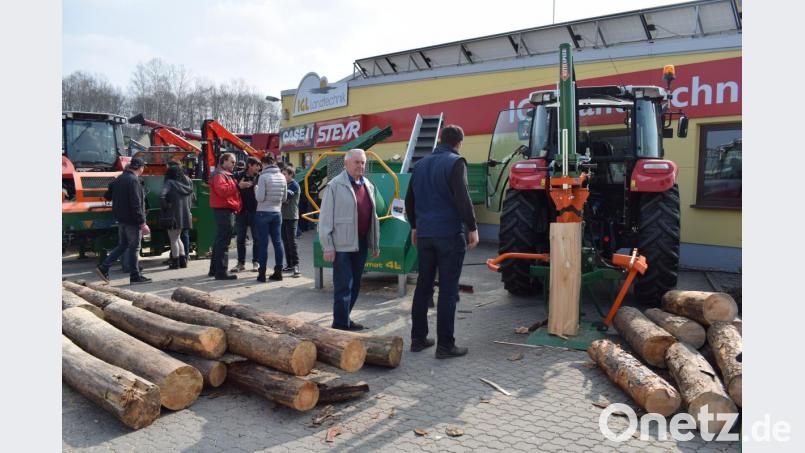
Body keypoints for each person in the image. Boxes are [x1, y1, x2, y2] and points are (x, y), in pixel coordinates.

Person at [405, 125, 479, 358]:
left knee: (423, 287)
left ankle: (418, 339)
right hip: (448, 234)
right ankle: (445, 346)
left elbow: (410, 200)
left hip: (425, 235)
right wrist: (473, 227)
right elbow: (462, 198)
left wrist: (415, 226)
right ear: (459, 142)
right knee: (447, 291)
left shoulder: (421, 165)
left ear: (440, 139)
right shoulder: (456, 162)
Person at [319, 149, 380, 331]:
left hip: (360, 242)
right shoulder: (335, 186)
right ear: (346, 164)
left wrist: (374, 243)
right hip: (341, 245)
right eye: (356, 162)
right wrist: (328, 246)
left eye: (362, 163)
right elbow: (325, 219)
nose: (360, 166)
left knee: (356, 284)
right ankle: (339, 325)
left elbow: (373, 216)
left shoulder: (368, 184)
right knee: (344, 285)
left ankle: (345, 318)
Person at [95, 157, 152, 284]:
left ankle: (104, 267)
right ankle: (135, 276)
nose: (143, 170)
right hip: (133, 220)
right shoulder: (134, 180)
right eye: (143, 167)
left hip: (121, 219)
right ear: (140, 167)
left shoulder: (119, 179)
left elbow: (107, 196)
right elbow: (136, 204)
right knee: (134, 248)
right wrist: (142, 223)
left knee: (123, 245)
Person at [208, 152, 243, 280]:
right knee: (223, 242)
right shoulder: (220, 175)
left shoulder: (221, 174)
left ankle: (214, 270)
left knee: (220, 240)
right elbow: (222, 191)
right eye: (232, 162)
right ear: (224, 162)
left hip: (224, 210)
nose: (234, 164)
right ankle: (221, 272)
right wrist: (237, 186)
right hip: (224, 210)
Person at [254, 154, 287, 282]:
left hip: (263, 212)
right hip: (277, 212)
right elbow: (284, 198)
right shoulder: (282, 177)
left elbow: (260, 198)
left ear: (264, 164)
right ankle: (278, 272)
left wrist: (256, 189)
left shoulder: (263, 177)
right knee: (278, 243)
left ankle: (262, 274)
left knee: (263, 244)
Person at [159, 165, 195, 269]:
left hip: (172, 216)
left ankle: (175, 263)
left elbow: (162, 195)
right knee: (178, 238)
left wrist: (166, 206)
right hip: (184, 215)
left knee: (173, 239)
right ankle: (183, 261)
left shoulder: (169, 183)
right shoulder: (186, 185)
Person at [231, 157, 262, 273]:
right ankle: (241, 263)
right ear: (249, 165)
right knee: (240, 239)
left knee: (257, 239)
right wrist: (239, 186)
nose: (258, 168)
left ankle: (256, 262)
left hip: (256, 212)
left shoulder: (260, 177)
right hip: (241, 211)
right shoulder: (238, 175)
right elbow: (230, 189)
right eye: (256, 165)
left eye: (259, 165)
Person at [281, 164, 301, 278]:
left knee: (292, 242)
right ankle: (289, 264)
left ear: (290, 175)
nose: (282, 176)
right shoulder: (284, 184)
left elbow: (285, 198)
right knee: (285, 241)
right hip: (282, 217)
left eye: (284, 174)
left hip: (291, 217)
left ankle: (296, 265)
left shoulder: (294, 185)